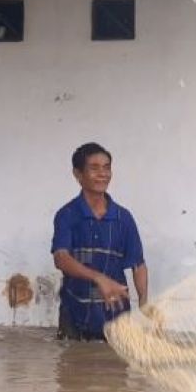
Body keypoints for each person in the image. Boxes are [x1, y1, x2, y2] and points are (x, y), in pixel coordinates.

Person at [51, 142, 148, 341]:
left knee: (115, 371)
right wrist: (99, 278)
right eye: (94, 168)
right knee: (71, 368)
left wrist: (145, 306)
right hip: (74, 318)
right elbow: (61, 258)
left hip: (117, 319)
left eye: (106, 168)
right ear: (77, 174)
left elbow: (138, 265)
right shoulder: (67, 215)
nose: (102, 174)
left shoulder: (123, 218)